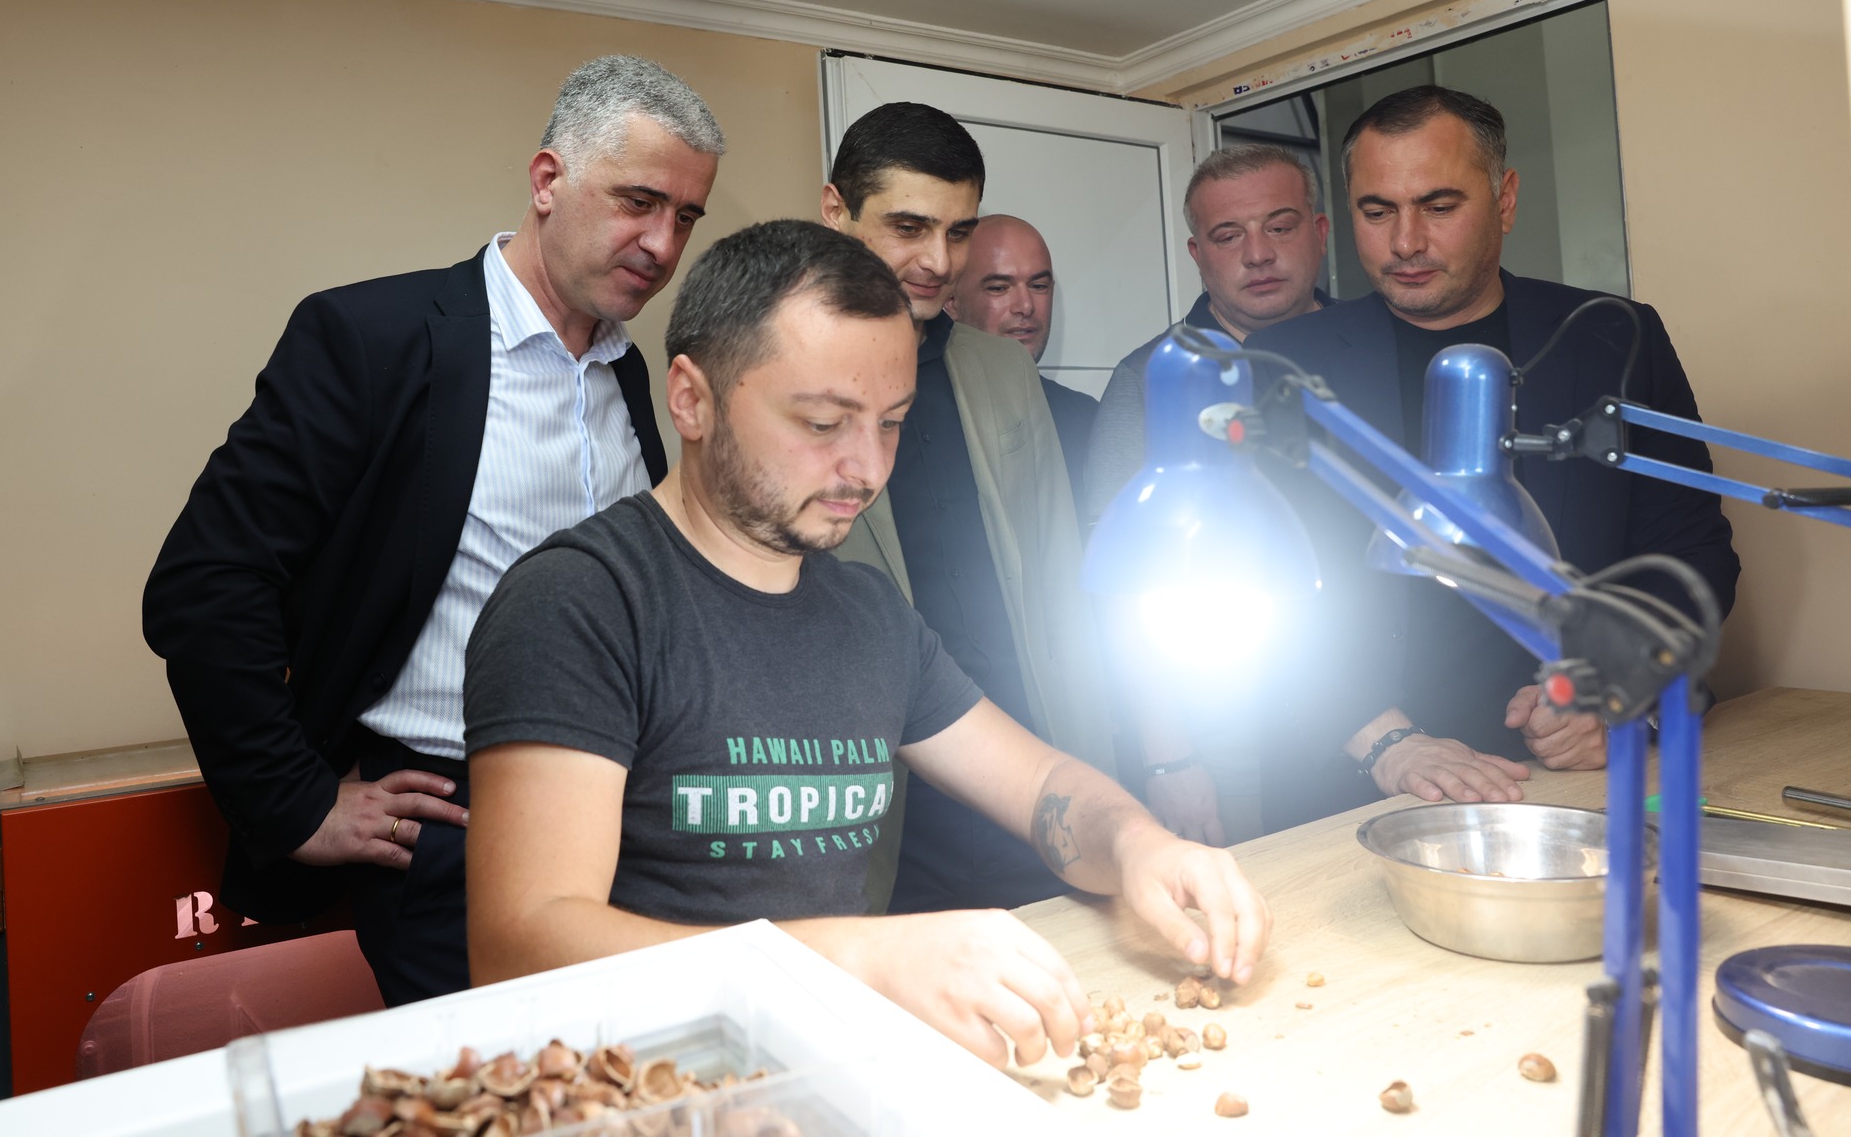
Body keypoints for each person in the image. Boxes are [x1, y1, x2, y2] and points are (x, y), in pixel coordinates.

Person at [461, 219, 1270, 1067]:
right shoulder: (579, 601)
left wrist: (1141, 844)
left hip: (832, 1071)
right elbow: (521, 949)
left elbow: (1042, 786)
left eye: (891, 422)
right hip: (654, 1088)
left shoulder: (868, 613)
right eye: (823, 423)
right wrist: (867, 957)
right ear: (691, 399)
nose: (868, 468)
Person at [142, 55, 723, 1005]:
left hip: (626, 819)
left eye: (686, 216)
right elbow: (204, 582)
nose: (662, 243)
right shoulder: (371, 338)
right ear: (548, 180)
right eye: (639, 201)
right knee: (501, 1082)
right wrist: (295, 802)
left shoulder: (630, 370)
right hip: (452, 827)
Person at [1247, 85, 1739, 832]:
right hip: (1354, 786)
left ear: (1504, 200)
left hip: (1570, 779)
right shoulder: (1281, 365)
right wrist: (1383, 740)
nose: (1405, 241)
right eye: (1377, 212)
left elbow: (1691, 551)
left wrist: (1618, 688)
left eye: (1438, 206)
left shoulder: (1613, 340)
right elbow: (1254, 583)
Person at [816, 104, 1117, 914]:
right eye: (908, 227)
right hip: (881, 798)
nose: (937, 260)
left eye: (958, 232)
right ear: (836, 211)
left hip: (1026, 773)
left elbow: (1062, 587)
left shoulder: (1004, 371)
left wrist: (1102, 781)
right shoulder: (779, 370)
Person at [1085, 144, 1334, 845]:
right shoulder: (1152, 380)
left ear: (1319, 232)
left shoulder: (1374, 350)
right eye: (1229, 235)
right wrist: (1169, 755)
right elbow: (1117, 590)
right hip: (1231, 742)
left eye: (1279, 226)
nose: (1258, 254)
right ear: (1198, 254)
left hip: (1389, 721)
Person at [945, 213, 1100, 520]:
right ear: (951, 301)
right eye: (998, 288)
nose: (1025, 306)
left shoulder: (1088, 420)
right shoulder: (918, 420)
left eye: (1038, 285)